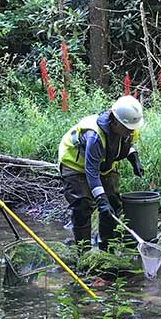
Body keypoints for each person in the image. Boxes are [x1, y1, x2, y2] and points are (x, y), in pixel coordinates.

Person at [56, 95, 145, 249]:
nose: (130, 132)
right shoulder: (94, 136)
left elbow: (122, 145)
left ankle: (107, 248)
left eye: (132, 129)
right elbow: (91, 171)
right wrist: (100, 199)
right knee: (82, 205)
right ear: (115, 121)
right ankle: (84, 251)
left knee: (112, 203)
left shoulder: (130, 129)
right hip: (75, 164)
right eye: (127, 128)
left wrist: (133, 157)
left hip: (105, 165)